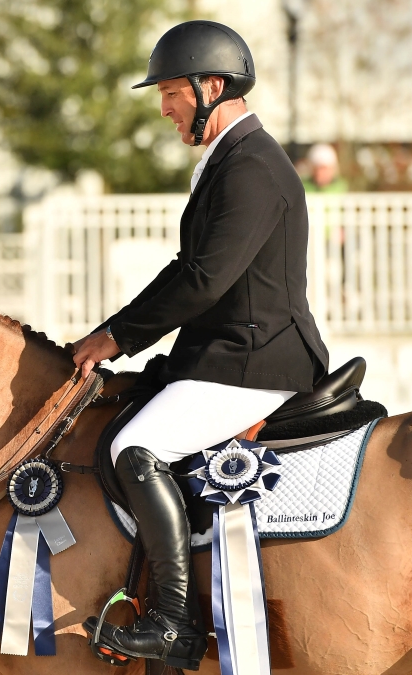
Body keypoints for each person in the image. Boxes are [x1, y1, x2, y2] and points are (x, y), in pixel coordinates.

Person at [72, 20, 329, 669]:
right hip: (226, 354)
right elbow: (191, 269)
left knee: (137, 446)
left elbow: (204, 279)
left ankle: (170, 621)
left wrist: (116, 336)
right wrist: (122, 336)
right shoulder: (228, 161)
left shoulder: (252, 167)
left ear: (211, 85)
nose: (162, 106)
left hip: (256, 361)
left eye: (170, 92)